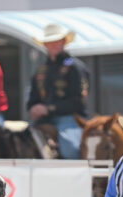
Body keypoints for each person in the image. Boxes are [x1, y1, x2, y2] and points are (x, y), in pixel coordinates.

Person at [26, 23, 89, 160]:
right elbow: (32, 99)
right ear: (44, 44)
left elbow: (78, 102)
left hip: (70, 119)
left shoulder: (76, 68)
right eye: (50, 41)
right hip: (42, 120)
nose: (54, 44)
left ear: (64, 41)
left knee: (71, 150)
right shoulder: (40, 70)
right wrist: (33, 109)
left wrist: (48, 108)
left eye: (57, 40)